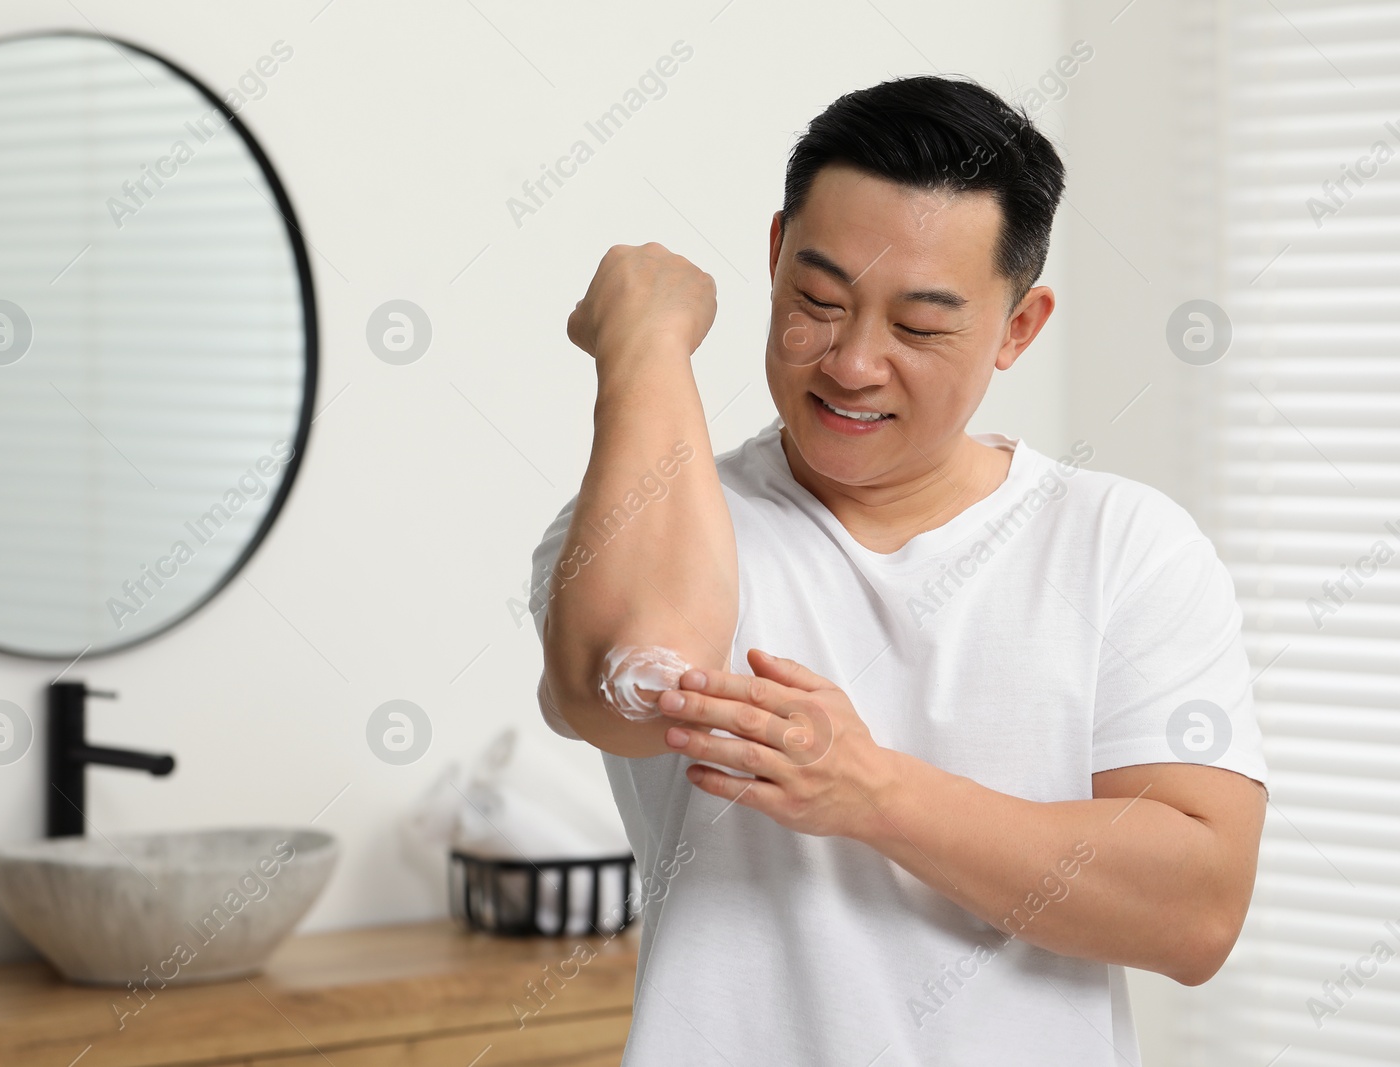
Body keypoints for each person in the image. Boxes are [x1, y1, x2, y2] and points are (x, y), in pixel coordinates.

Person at [528, 74, 1268, 1065]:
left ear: (1018, 327)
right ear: (776, 254)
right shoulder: (653, 519)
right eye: (817, 300)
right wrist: (646, 341)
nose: (852, 363)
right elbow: (630, 684)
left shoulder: (1121, 543)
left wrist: (873, 791)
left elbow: (1194, 911)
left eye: (919, 327)